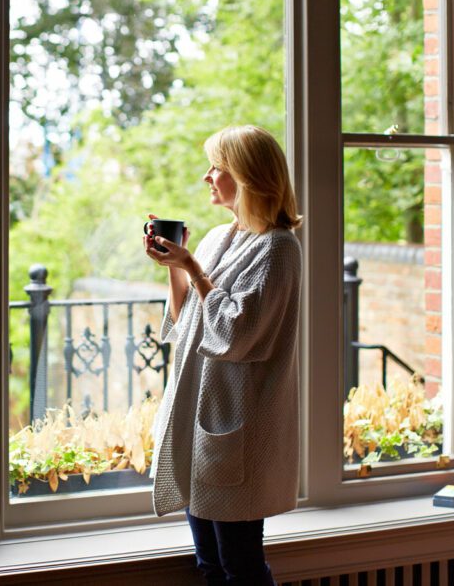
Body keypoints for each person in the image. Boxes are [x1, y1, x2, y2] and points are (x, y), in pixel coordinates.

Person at [143, 124, 302, 585]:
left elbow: (235, 334)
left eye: (218, 167)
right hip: (201, 421)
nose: (206, 176)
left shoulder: (278, 249)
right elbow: (190, 321)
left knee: (241, 565)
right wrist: (176, 268)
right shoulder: (218, 237)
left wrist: (192, 267)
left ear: (247, 176)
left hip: (239, 428)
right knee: (209, 564)